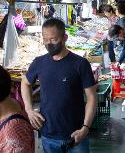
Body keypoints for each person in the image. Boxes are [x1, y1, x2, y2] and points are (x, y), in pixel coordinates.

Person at [21, 18, 97, 152]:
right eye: (46, 40)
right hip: (48, 135)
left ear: (65, 38)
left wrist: (85, 128)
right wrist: (28, 110)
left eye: (54, 39)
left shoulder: (80, 64)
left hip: (76, 135)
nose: (49, 43)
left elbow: (91, 97)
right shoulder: (39, 63)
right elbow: (25, 83)